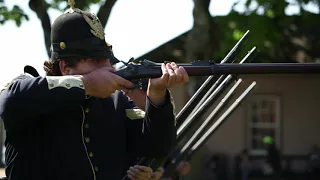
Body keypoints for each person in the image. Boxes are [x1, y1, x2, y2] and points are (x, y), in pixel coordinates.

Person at [0, 1, 189, 180]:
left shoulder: (117, 103)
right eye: (96, 61)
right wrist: (88, 84)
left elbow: (157, 148)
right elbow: (10, 99)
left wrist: (156, 95)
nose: (108, 67)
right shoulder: (30, 96)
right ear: (66, 67)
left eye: (107, 60)